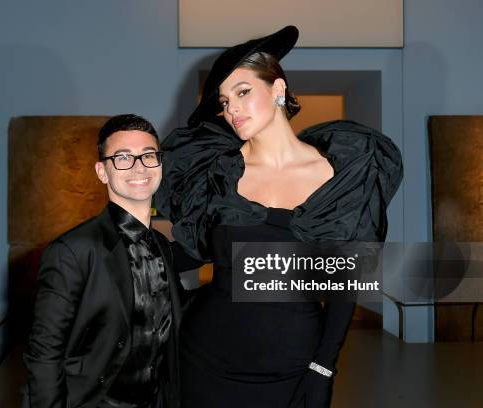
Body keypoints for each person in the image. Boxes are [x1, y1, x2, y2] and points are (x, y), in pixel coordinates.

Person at [155, 26, 403, 407]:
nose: (232, 109)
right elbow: (193, 251)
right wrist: (125, 249)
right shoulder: (217, 172)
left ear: (278, 89)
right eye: (224, 101)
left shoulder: (341, 172)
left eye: (242, 92)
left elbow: (345, 283)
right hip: (204, 359)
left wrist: (323, 368)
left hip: (291, 366)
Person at [22, 114, 183, 408]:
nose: (138, 167)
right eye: (123, 158)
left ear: (159, 164)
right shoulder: (72, 250)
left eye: (148, 156)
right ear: (102, 171)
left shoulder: (162, 246)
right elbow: (44, 354)